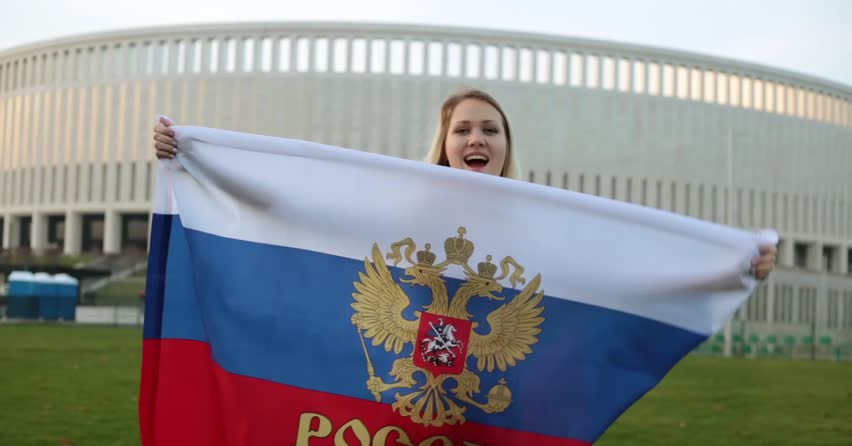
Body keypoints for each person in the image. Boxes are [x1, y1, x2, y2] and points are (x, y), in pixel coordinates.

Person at [151, 88, 776, 278]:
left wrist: (733, 266)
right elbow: (290, 206)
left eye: (491, 131)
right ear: (445, 148)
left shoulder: (538, 225)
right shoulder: (401, 214)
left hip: (494, 422)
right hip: (399, 413)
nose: (477, 140)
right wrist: (197, 157)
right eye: (463, 131)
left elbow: (626, 272)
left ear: (507, 148)